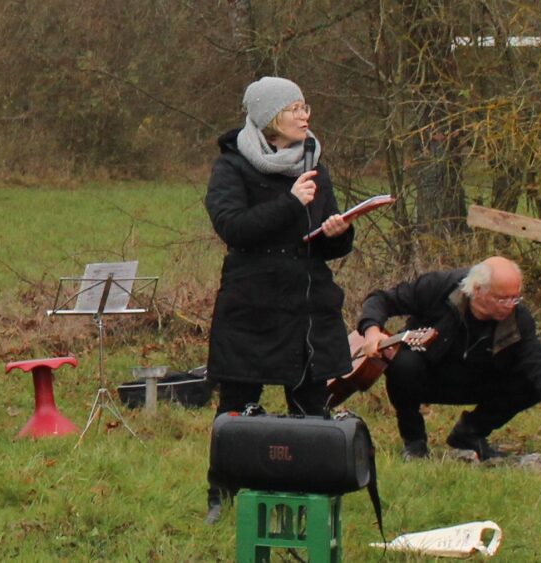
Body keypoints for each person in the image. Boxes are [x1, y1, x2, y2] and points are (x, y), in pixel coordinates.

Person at [200, 76, 356, 523]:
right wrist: (290, 203)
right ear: (270, 119)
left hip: (308, 305)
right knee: (235, 405)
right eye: (294, 109)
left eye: (306, 107)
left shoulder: (314, 163)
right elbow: (233, 228)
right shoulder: (232, 166)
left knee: (311, 408)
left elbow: (325, 239)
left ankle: (310, 498)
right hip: (252, 303)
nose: (305, 115)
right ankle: (223, 495)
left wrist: (338, 233)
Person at [359, 257, 541, 460]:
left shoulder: (518, 319)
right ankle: (414, 443)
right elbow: (380, 299)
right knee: (403, 364)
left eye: (515, 298)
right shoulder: (438, 287)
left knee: (530, 381)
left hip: (482, 382)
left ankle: (470, 433)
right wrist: (372, 330)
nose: (511, 306)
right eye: (503, 299)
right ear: (478, 290)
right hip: (429, 375)